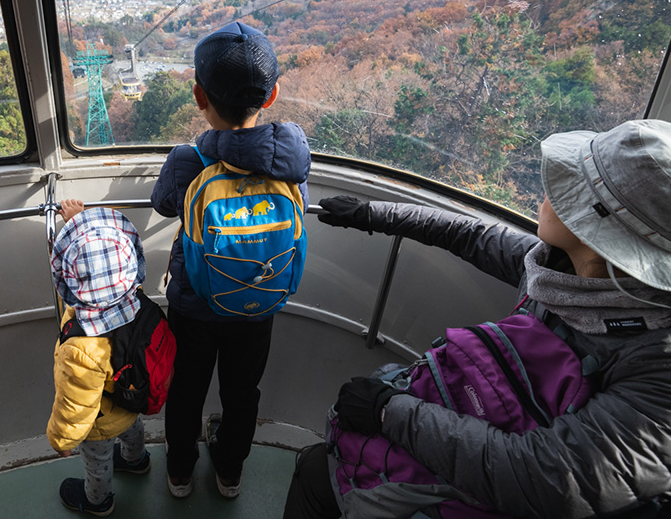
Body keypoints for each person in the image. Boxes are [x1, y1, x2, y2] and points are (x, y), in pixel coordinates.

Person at [284, 119, 671, 518]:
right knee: (316, 467)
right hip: (458, 452)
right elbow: (470, 234)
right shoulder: (560, 270)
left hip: (490, 497)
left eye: (566, 187)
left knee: (316, 476)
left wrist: (389, 412)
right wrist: (371, 213)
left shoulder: (657, 363)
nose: (548, 193)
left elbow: (551, 478)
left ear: (597, 226)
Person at [151, 21, 311, 498]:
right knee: (242, 394)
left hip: (194, 302)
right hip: (260, 300)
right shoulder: (291, 162)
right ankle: (230, 473)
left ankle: (180, 472)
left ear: (199, 97)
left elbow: (164, 204)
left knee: (187, 391)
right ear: (272, 93)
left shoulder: (186, 160)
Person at [47, 199, 151, 516]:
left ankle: (98, 500)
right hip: (132, 400)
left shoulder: (80, 348)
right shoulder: (137, 299)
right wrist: (80, 219)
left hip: (100, 423)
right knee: (133, 430)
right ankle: (137, 460)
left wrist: (62, 440)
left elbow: (76, 407)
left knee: (97, 461)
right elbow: (108, 262)